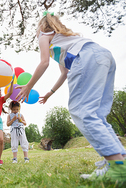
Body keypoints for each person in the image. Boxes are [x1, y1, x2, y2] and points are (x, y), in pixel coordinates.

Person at [16, 11, 126, 182]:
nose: (37, 34)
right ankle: (119, 160)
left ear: (42, 27)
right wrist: (49, 94)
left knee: (82, 112)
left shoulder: (44, 35)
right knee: (97, 115)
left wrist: (29, 86)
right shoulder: (65, 41)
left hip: (86, 59)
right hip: (104, 56)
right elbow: (64, 73)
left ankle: (118, 169)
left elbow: (43, 62)